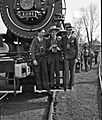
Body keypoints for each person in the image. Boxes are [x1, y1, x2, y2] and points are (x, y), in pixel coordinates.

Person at [62, 23, 79, 91]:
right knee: (66, 71)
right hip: (66, 57)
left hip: (73, 57)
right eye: (68, 30)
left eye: (71, 30)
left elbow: (77, 49)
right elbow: (61, 46)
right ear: (66, 30)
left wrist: (76, 58)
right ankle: (65, 86)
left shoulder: (74, 38)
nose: (69, 31)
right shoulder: (63, 38)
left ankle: (71, 85)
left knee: (72, 72)